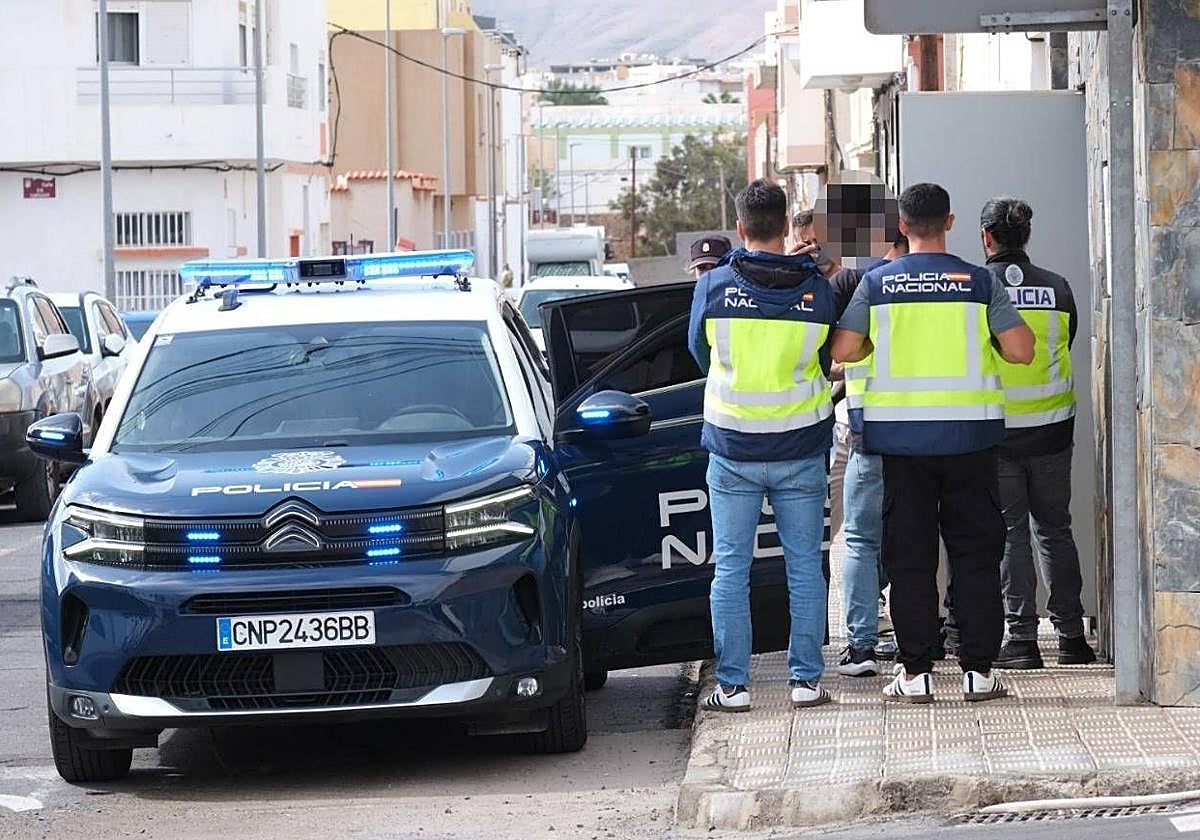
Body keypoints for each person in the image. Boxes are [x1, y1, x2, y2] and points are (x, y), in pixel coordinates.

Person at [831, 182, 1035, 704]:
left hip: (903, 444)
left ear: (902, 226)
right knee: (975, 555)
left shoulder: (876, 284)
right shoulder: (979, 282)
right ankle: (978, 672)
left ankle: (916, 673)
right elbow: (1021, 351)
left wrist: (878, 343)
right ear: (950, 222)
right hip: (970, 440)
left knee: (910, 559)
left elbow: (844, 349)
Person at [689, 179, 836, 712]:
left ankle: (733, 686)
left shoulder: (713, 286)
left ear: (740, 228)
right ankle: (806, 682)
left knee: (731, 569)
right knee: (804, 567)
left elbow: (698, 353)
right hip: (801, 448)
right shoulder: (817, 289)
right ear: (784, 224)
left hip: (733, 449)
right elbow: (824, 360)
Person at [980, 197, 1097, 669]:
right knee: (1054, 529)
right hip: (1052, 430)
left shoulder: (979, 288)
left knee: (1011, 535)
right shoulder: (1058, 287)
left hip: (998, 432)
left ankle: (1023, 641)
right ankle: (1071, 638)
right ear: (1027, 236)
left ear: (986, 237)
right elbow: (1066, 342)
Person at [830, 221, 909, 678]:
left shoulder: (857, 283)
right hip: (926, 435)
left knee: (860, 540)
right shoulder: (945, 284)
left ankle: (861, 648)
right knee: (915, 539)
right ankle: (915, 643)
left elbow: (835, 352)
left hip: (869, 431)